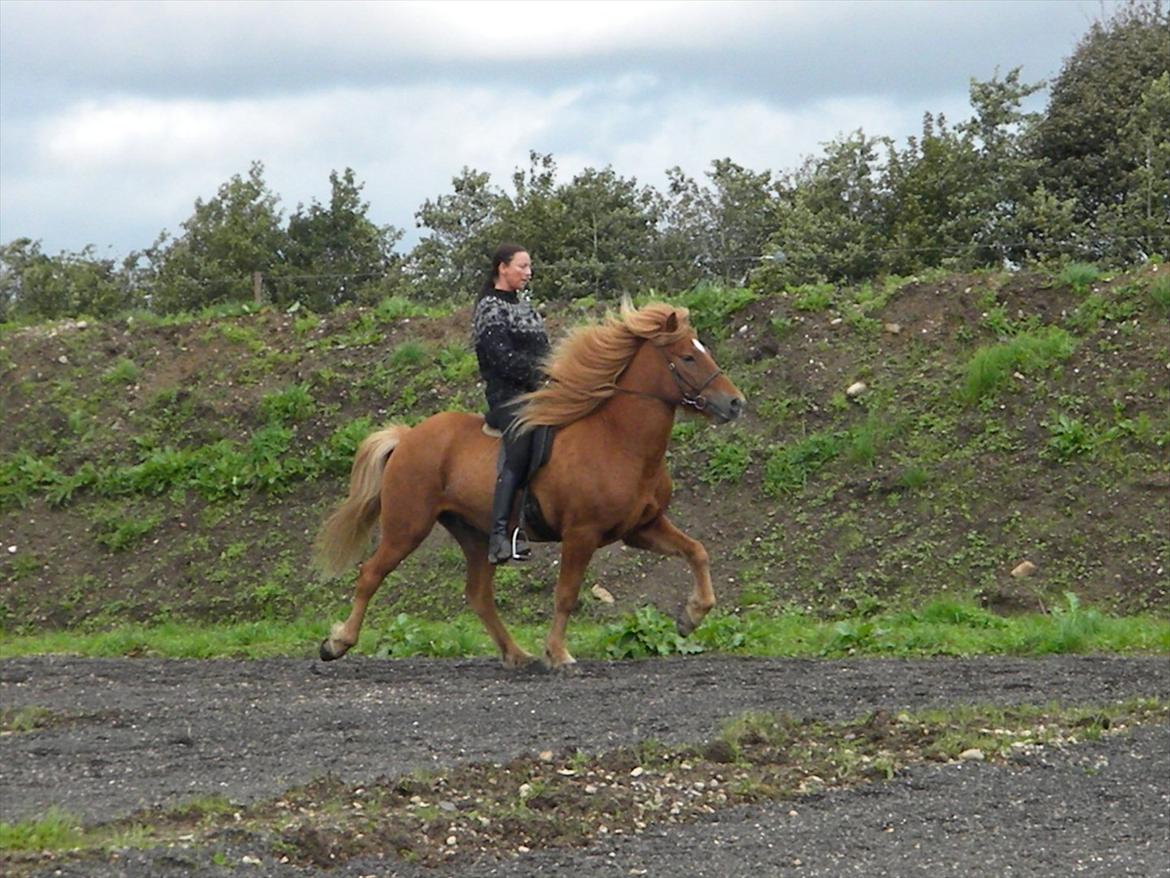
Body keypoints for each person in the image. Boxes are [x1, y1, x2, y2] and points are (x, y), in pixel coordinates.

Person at [472, 244, 550, 564]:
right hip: (508, 397)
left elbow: (545, 351)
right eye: (522, 266)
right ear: (502, 268)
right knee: (520, 447)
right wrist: (538, 378)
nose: (528, 272)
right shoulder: (490, 308)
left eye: (529, 267)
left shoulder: (527, 308)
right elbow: (501, 359)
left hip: (539, 393)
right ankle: (501, 535)